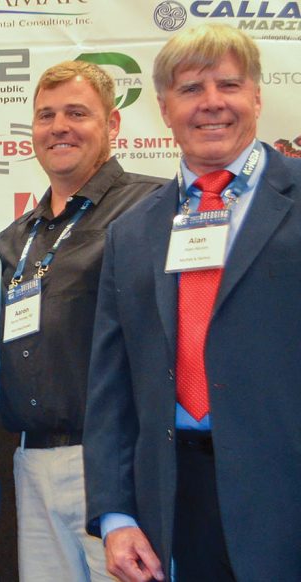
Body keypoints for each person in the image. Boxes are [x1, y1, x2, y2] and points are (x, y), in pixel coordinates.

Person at [83, 23, 301, 582]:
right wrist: (115, 515)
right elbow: (111, 389)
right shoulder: (130, 232)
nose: (211, 104)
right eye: (190, 89)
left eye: (227, 85)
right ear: (163, 108)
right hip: (173, 505)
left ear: (256, 95)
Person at [0, 61, 163, 582]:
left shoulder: (153, 206)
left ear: (112, 124)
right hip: (32, 462)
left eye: (76, 113)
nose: (58, 127)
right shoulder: (14, 239)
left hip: (117, 462)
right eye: (45, 115)